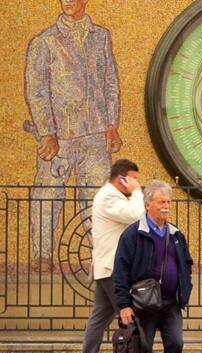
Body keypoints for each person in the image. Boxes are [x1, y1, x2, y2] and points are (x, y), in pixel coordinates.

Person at [24, 0, 123, 263]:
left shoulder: (101, 37)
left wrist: (112, 125)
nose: (67, 0)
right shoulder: (44, 41)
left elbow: (110, 82)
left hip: (95, 136)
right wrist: (47, 132)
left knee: (97, 200)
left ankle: (101, 258)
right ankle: (42, 256)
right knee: (48, 198)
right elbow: (36, 91)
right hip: (60, 139)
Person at [113, 180, 193, 353]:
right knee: (143, 350)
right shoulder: (133, 234)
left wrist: (185, 286)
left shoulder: (176, 234)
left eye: (169, 201)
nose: (166, 206)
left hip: (170, 302)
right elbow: (120, 271)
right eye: (161, 202)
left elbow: (186, 263)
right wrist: (124, 305)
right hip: (143, 303)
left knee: (176, 345)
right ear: (148, 204)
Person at [80, 159, 159, 353]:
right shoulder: (108, 197)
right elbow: (135, 215)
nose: (136, 183)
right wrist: (137, 192)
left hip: (109, 267)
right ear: (122, 178)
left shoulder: (114, 197)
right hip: (113, 268)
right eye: (133, 179)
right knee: (131, 315)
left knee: (98, 319)